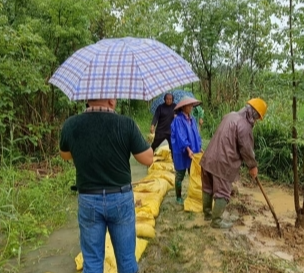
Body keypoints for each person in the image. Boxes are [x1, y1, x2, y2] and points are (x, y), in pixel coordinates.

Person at [59, 99, 153, 273]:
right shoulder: (126, 124)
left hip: (88, 199)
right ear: (111, 99)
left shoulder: (71, 124)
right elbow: (147, 158)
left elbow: (65, 155)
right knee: (126, 260)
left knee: (92, 262)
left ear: (87, 99)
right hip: (120, 198)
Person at [200, 98, 267, 229]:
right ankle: (216, 221)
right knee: (223, 192)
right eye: (258, 117)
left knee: (207, 187)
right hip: (223, 163)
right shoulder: (244, 126)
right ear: (254, 114)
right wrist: (252, 166)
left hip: (209, 156)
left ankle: (207, 215)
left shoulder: (230, 115)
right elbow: (246, 149)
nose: (257, 120)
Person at [171, 96, 202, 204]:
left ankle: (193, 194)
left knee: (193, 173)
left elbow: (196, 135)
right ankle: (178, 197)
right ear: (183, 107)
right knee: (180, 174)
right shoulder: (178, 120)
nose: (191, 107)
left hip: (193, 151)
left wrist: (199, 147)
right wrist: (188, 149)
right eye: (189, 105)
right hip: (182, 152)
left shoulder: (192, 119)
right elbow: (181, 137)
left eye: (192, 105)